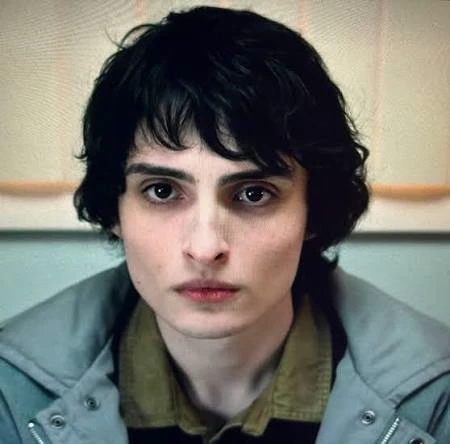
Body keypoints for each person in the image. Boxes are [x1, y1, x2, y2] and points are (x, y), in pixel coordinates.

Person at [0, 6, 449, 443]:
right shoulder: (11, 393)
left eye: (253, 194)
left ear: (313, 210)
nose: (205, 247)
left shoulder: (436, 398)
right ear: (114, 208)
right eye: (162, 191)